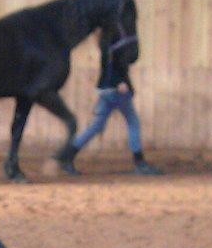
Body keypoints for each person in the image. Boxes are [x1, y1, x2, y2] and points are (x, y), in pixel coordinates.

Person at [64, 33, 162, 176]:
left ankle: (67, 156)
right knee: (133, 122)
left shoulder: (105, 44)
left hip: (105, 90)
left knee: (96, 126)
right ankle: (140, 163)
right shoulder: (117, 44)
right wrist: (120, 82)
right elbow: (120, 63)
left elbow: (110, 65)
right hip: (118, 90)